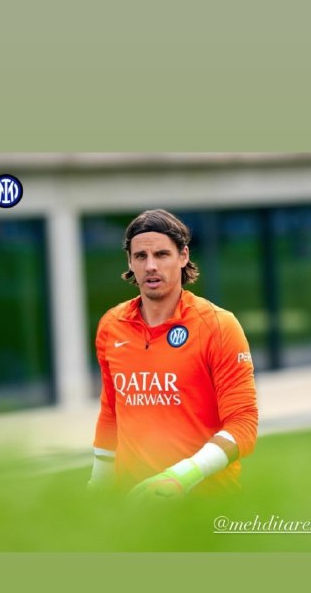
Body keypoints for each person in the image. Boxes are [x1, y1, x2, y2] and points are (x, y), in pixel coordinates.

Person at [88, 209, 258, 501]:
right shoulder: (111, 325)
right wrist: (98, 487)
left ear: (183, 256)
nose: (151, 266)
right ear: (130, 261)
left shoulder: (218, 326)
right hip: (136, 504)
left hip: (206, 503)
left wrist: (183, 476)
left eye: (162, 255)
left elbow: (243, 424)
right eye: (140, 256)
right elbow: (111, 413)